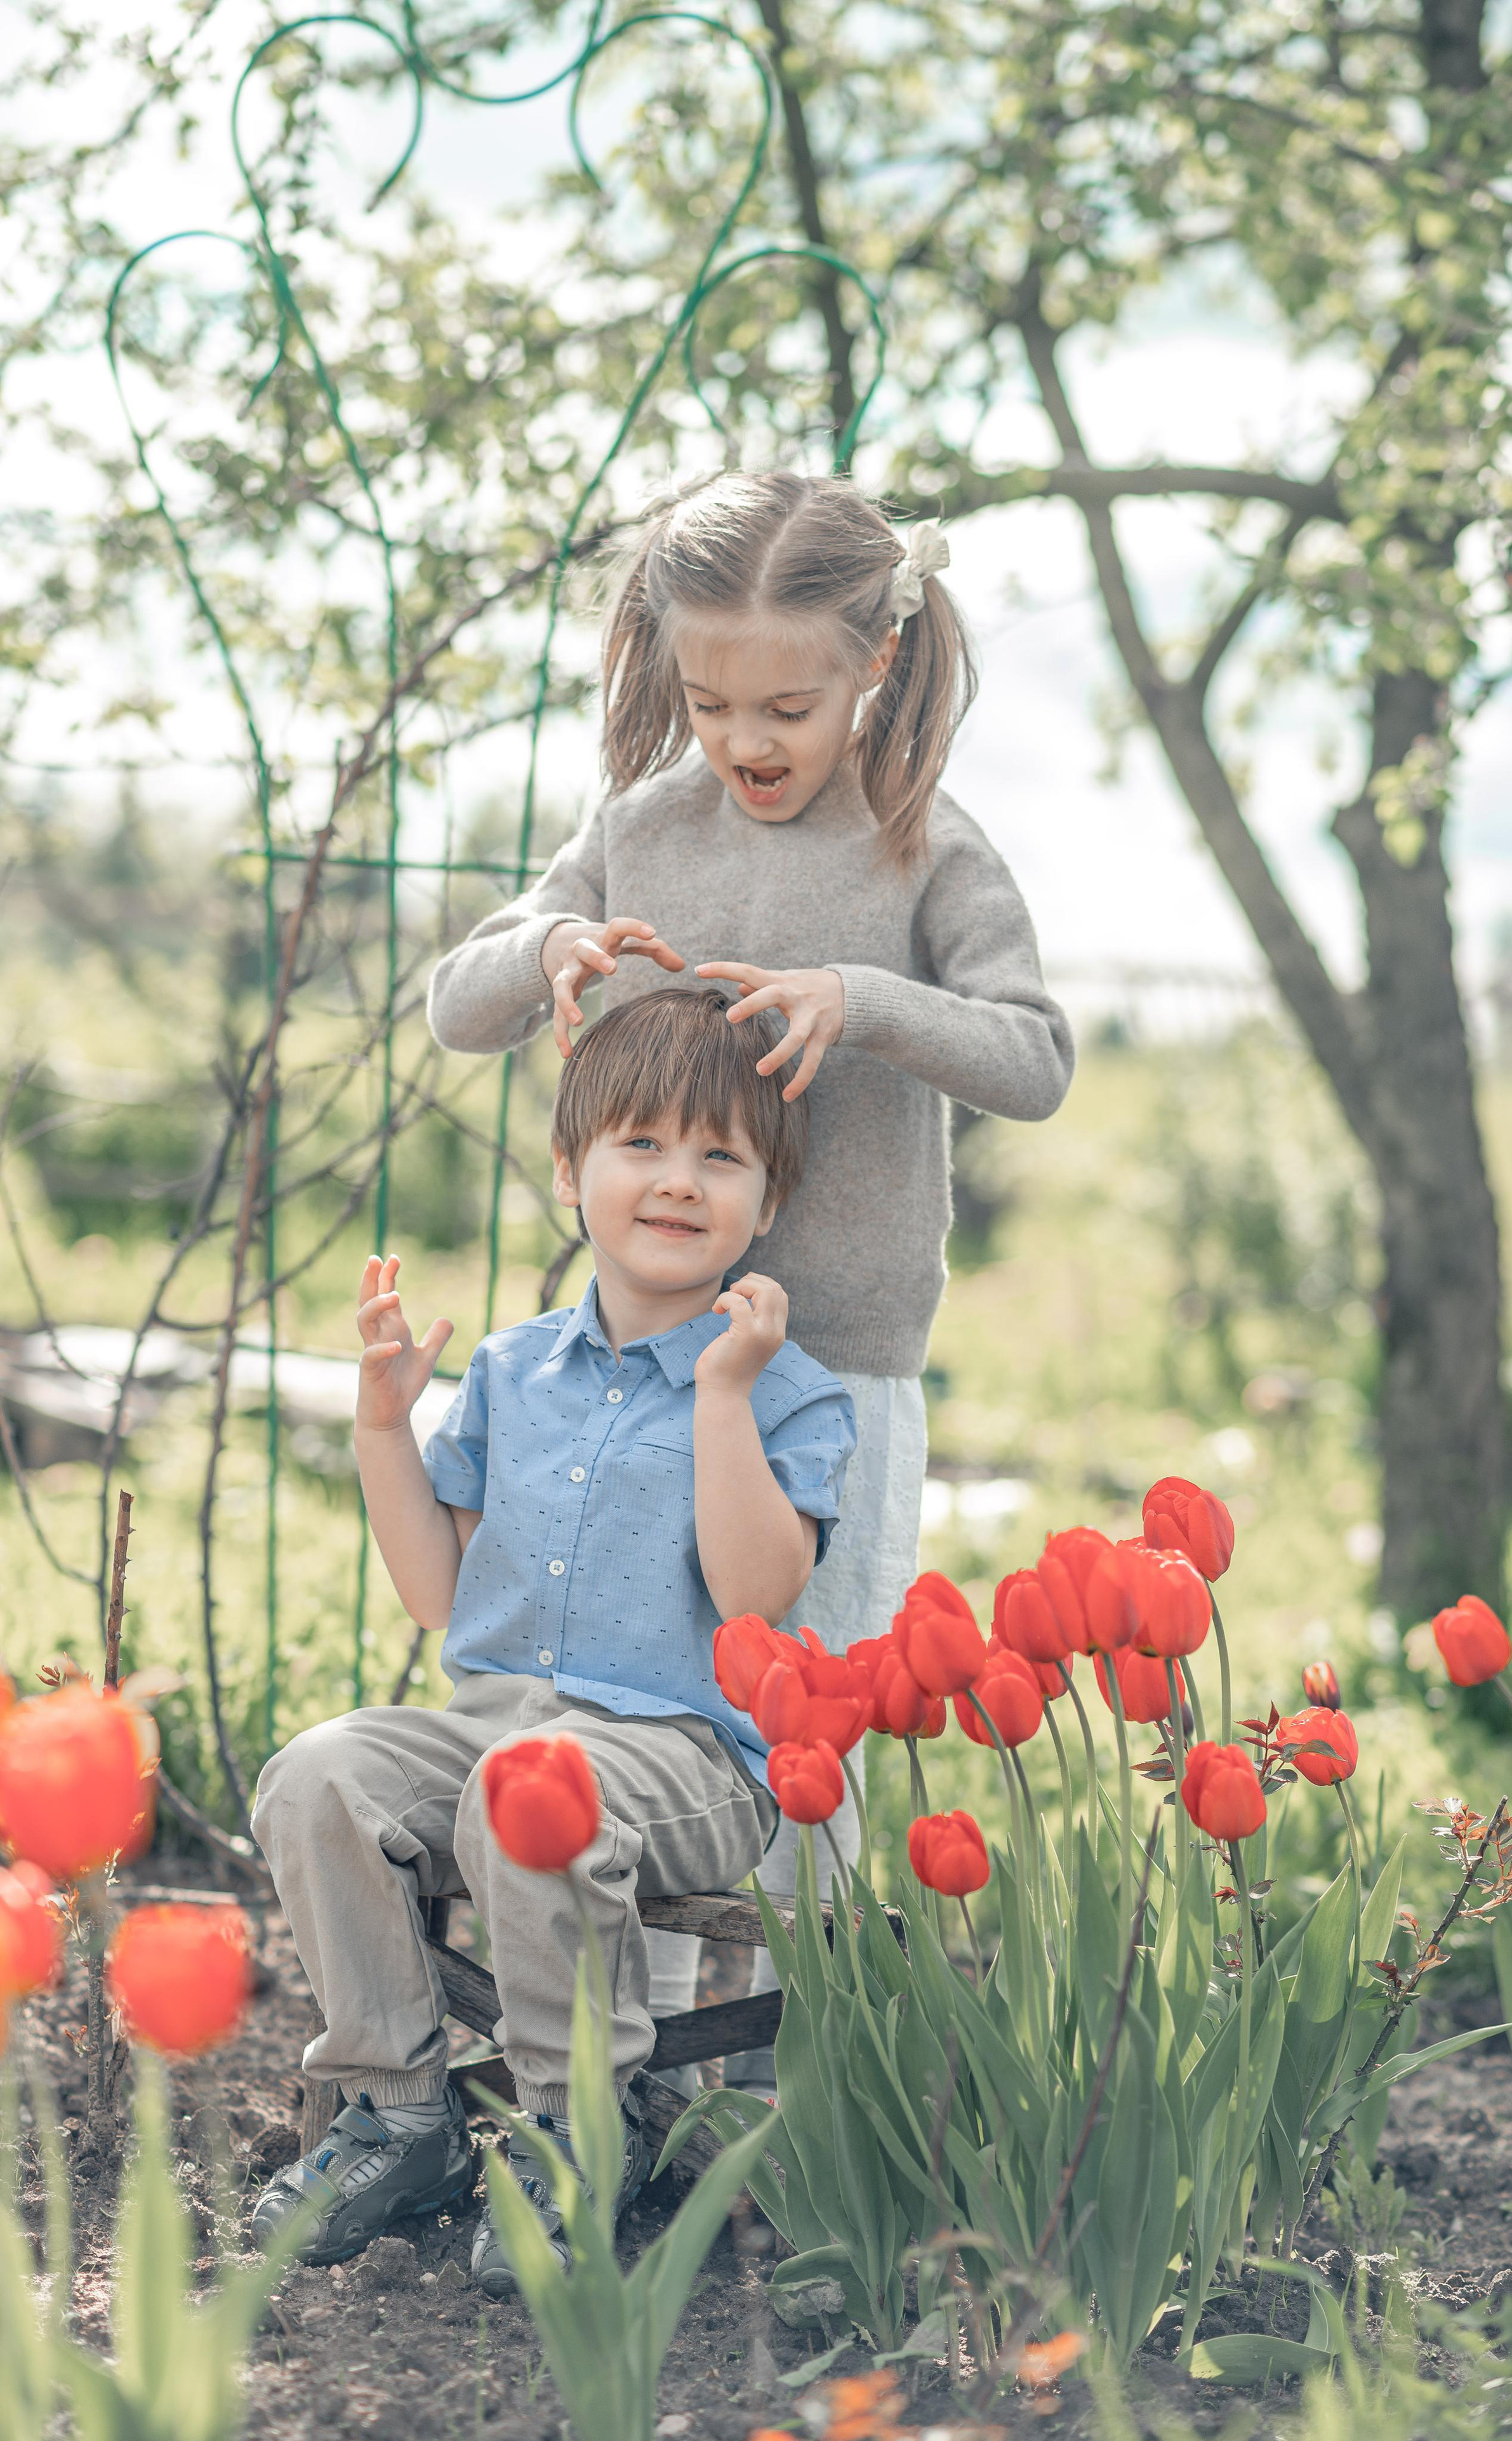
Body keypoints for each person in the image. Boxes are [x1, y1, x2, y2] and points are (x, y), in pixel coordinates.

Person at [427, 472, 1074, 2076]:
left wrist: (865, 999)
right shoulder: (642, 830)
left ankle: (789, 2086)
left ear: (876, 664)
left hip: (831, 1373)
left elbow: (1035, 1057)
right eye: (710, 702)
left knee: (801, 1742)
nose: (745, 738)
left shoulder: (926, 850)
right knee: (628, 1737)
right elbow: (459, 1000)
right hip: (637, 1374)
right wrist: (546, 954)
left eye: (787, 702)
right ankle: (618, 2073)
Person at [250, 987, 856, 2292]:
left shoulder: (789, 1391)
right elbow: (435, 1594)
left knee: (536, 1790)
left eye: (720, 1156)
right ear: (570, 1172)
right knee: (318, 1772)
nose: (678, 1180)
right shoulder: (512, 1367)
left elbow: (757, 1597)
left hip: (680, 1757)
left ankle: (573, 2132)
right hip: (491, 1720)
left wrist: (723, 1396)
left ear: (769, 1198)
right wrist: (379, 1428)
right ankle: (402, 2113)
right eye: (640, 1144)